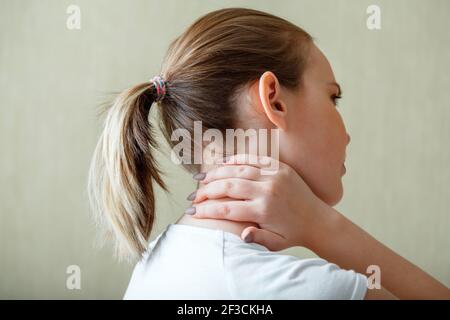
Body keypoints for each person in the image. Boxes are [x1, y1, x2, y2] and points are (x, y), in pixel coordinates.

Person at [87, 8, 450, 299]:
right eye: (332, 97)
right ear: (273, 99)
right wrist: (324, 229)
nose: (347, 133)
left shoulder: (160, 258)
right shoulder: (308, 291)